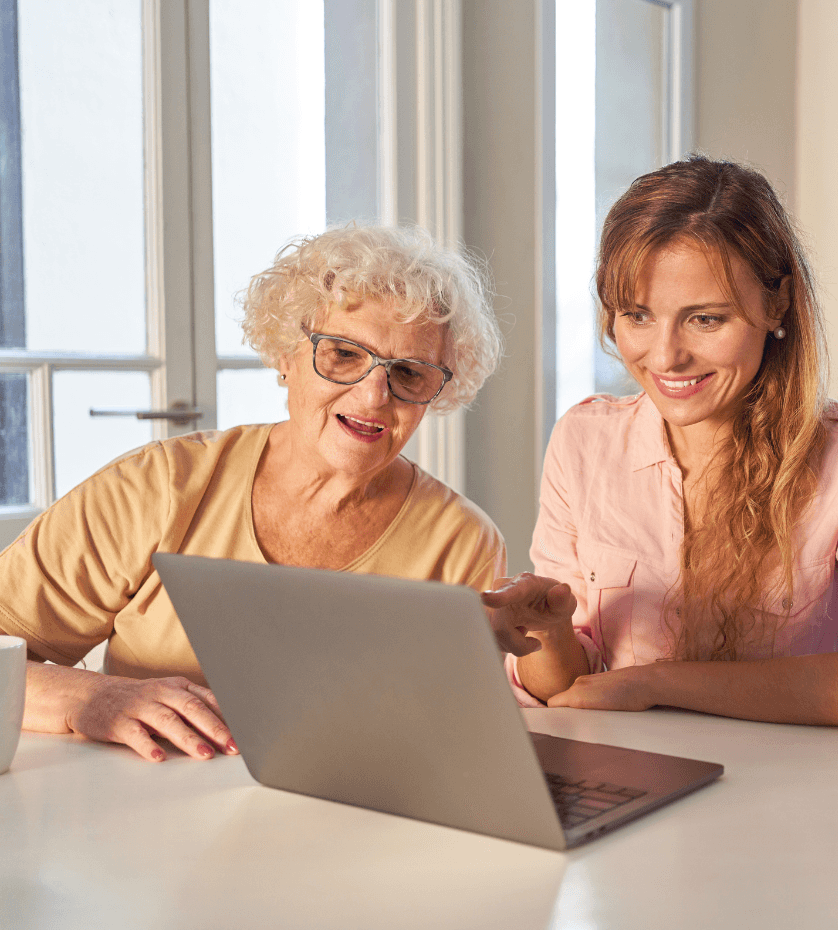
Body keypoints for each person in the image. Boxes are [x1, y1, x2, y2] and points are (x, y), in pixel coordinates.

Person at [0, 225, 521, 763]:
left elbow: (455, 742)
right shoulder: (157, 487)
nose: (373, 395)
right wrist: (94, 698)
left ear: (434, 393)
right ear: (286, 355)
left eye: (408, 372)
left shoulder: (463, 542)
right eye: (343, 354)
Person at [484, 156, 838, 733]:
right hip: (637, 779)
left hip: (806, 793)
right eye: (638, 315)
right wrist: (549, 633)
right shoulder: (584, 440)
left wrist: (656, 682)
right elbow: (569, 690)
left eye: (705, 320)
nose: (664, 356)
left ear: (776, 304)